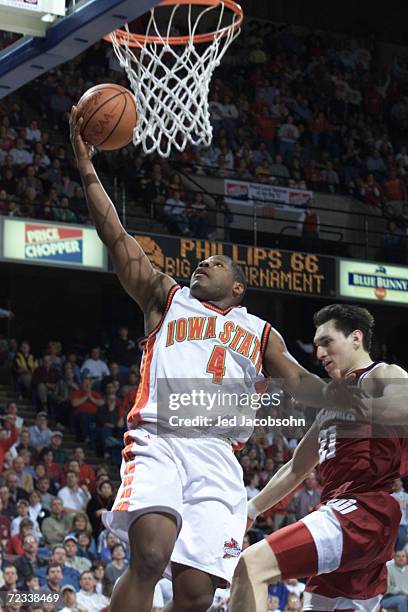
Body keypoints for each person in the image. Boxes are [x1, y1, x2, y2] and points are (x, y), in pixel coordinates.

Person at [70, 108, 356, 612]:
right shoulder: (166, 297)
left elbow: (299, 380)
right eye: (201, 261)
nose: (204, 263)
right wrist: (87, 166)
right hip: (161, 436)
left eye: (217, 263)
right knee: (150, 556)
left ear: (239, 287)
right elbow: (116, 236)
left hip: (219, 458)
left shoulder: (258, 332)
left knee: (197, 592)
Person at [229, 304, 408, 612]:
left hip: (362, 511)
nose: (320, 353)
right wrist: (252, 509)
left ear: (355, 338)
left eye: (327, 342)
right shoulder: (330, 406)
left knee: (251, 565)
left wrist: (357, 404)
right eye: (316, 347)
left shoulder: (380, 375)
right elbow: (297, 467)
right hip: (350, 522)